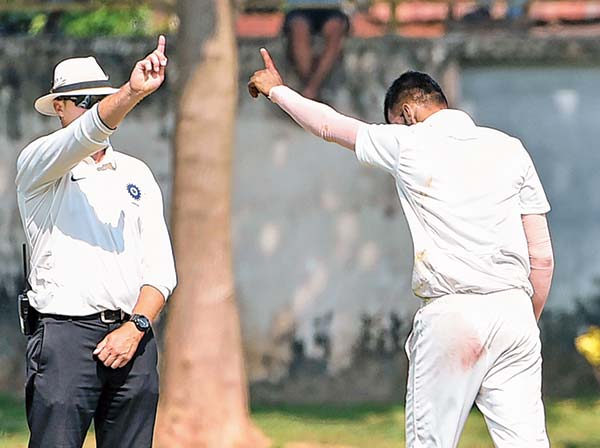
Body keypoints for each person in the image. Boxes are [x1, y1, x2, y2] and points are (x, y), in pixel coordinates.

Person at [248, 49, 554, 447]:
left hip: (453, 313)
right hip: (515, 311)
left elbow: (329, 125)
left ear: (407, 113)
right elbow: (542, 257)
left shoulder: (410, 142)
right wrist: (523, 319)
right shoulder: (511, 149)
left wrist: (278, 91)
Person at [16, 35, 176, 448]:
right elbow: (86, 133)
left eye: (97, 99)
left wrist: (136, 327)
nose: (90, 108)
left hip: (133, 337)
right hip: (65, 339)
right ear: (59, 107)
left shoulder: (136, 173)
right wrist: (130, 92)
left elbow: (160, 271)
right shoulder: (39, 162)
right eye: (81, 101)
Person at [283, 0, 350, 99]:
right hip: (299, 7)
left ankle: (311, 89)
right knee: (299, 30)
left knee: (335, 31)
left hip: (333, 8)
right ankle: (312, 89)